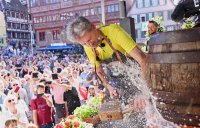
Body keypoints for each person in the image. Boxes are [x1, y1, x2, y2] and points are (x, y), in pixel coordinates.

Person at [66, 16, 147, 111]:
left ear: (93, 27)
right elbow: (99, 71)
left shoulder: (114, 32)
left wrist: (143, 92)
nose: (89, 45)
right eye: (84, 44)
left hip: (141, 78)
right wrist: (109, 86)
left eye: (89, 40)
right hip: (124, 85)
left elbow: (142, 60)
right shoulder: (88, 46)